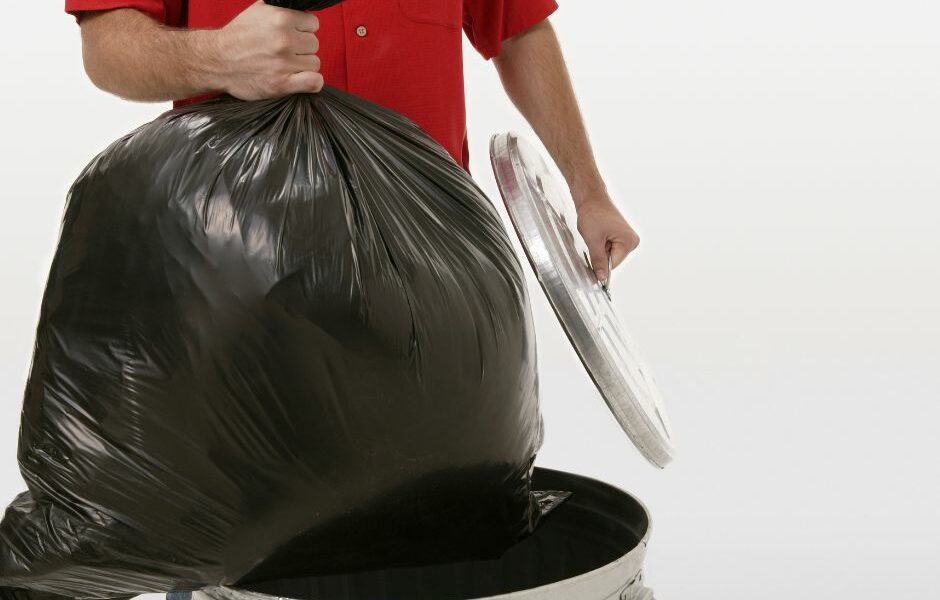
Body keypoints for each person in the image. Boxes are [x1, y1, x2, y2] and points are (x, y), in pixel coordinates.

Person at [66, 0, 640, 283]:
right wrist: (218, 57)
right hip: (239, 270)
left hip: (434, 252)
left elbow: (517, 31)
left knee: (443, 487)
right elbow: (107, 47)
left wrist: (588, 192)